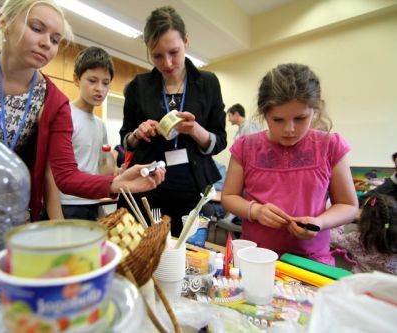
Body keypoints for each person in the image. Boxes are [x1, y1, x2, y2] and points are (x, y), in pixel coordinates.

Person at [0, 0, 165, 221]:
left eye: (55, 39)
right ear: (5, 21)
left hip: (2, 214)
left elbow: (65, 175)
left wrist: (115, 183)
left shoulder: (53, 100)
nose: (47, 43)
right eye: (37, 29)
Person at [221, 63, 358, 265]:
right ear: (264, 113)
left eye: (300, 118)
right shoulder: (245, 147)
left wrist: (319, 223)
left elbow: (348, 205)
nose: (289, 129)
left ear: (315, 111)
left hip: (312, 261)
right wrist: (256, 211)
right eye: (278, 120)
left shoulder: (330, 146)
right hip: (254, 257)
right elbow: (229, 196)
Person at [119, 6, 227, 236]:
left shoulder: (207, 83)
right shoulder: (139, 86)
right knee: (142, 249)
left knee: (183, 254)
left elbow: (220, 140)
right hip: (147, 184)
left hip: (191, 185)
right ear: (148, 51)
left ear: (186, 41)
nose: (167, 63)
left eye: (174, 52)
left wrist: (197, 131)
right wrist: (138, 134)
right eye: (157, 55)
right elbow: (125, 139)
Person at [56, 46, 115, 220]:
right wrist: (56, 218)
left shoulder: (100, 125)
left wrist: (117, 169)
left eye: (105, 83)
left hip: (92, 201)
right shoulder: (64, 114)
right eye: (92, 81)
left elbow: (103, 168)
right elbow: (50, 171)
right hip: (65, 203)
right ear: (76, 79)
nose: (99, 89)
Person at [330, 193, 397, 274]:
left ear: (364, 217)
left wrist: (344, 219)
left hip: (361, 282)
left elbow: (333, 238)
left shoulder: (357, 239)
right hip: (390, 285)